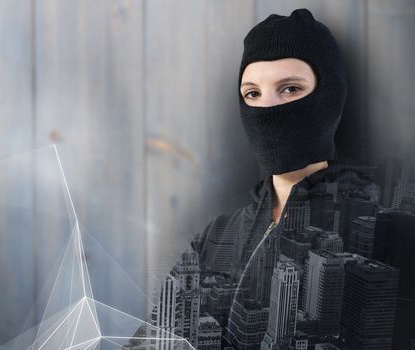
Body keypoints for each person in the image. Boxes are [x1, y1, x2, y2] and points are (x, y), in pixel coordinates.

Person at [127, 9, 386, 350]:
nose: (267, 109)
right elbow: (152, 336)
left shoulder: (378, 232)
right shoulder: (215, 235)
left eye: (290, 88)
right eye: (252, 93)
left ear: (330, 96)